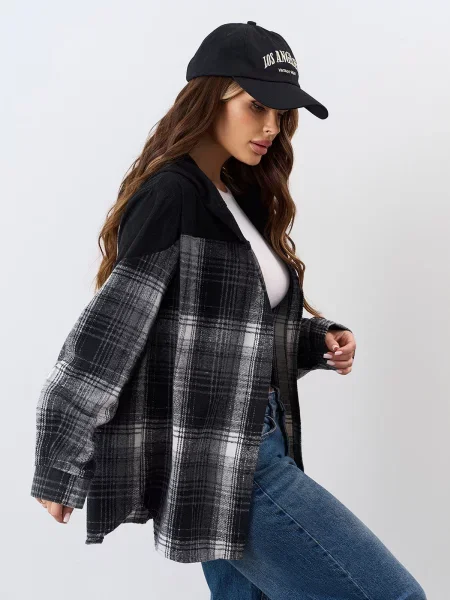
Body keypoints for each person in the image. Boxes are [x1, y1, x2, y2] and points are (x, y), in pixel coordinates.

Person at [31, 20, 427, 600]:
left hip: (246, 446)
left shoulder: (235, 194)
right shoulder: (173, 196)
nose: (271, 127)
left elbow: (220, 331)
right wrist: (59, 460)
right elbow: (106, 339)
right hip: (232, 463)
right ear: (211, 97)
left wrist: (315, 340)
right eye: (256, 106)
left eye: (281, 114)